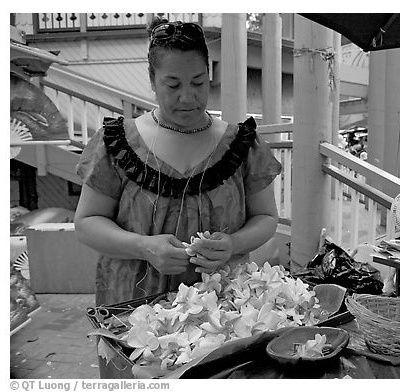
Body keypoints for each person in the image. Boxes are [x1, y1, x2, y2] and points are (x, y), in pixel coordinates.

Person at [74, 18, 282, 307]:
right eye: (172, 85)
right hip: (134, 304)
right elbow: (86, 223)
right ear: (152, 81)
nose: (188, 97)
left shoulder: (241, 146)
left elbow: (266, 218)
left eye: (198, 82)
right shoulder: (117, 144)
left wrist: (233, 244)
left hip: (222, 307)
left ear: (208, 75)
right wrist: (143, 247)